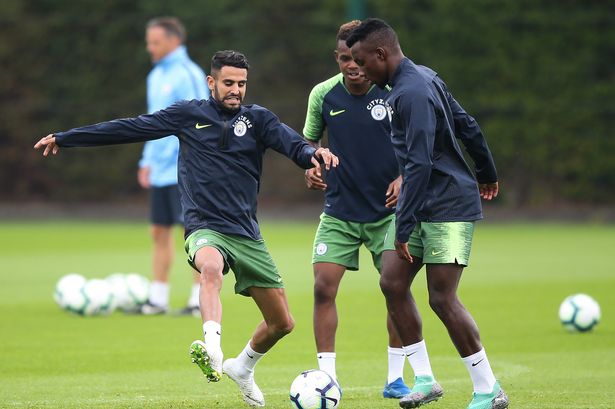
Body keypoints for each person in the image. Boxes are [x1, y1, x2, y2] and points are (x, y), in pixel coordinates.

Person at [34, 50, 339, 408]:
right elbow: (131, 127)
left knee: (282, 323)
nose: (235, 90)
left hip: (246, 233)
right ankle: (212, 345)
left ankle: (241, 367)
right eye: (228, 83)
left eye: (241, 84)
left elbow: (295, 145)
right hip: (203, 226)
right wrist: (67, 138)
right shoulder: (188, 114)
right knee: (210, 268)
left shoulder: (258, 120)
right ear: (211, 82)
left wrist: (315, 155)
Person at [346, 18, 508, 409]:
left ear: (381, 54)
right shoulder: (423, 76)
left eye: (362, 61)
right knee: (392, 281)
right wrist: (486, 171)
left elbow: (418, 163)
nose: (359, 70)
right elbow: (466, 125)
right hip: (422, 204)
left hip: (447, 205)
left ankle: (488, 389)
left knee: (442, 298)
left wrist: (403, 225)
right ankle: (424, 379)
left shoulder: (412, 93)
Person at [302, 20, 409, 399]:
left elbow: (417, 142)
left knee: (396, 291)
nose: (353, 66)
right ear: (338, 57)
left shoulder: (393, 92)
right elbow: (309, 142)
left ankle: (396, 377)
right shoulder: (323, 95)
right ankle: (326, 377)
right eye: (345, 58)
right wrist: (311, 168)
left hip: (388, 214)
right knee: (321, 288)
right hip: (339, 213)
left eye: (358, 58)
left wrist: (404, 177)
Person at [138, 17, 209, 315]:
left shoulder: (188, 73)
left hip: (185, 167)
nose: (149, 47)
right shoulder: (156, 75)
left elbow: (202, 120)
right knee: (159, 231)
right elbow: (151, 122)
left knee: (193, 234)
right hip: (160, 170)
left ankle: (197, 299)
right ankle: (158, 298)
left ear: (173, 41)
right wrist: (147, 159)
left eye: (154, 42)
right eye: (148, 41)